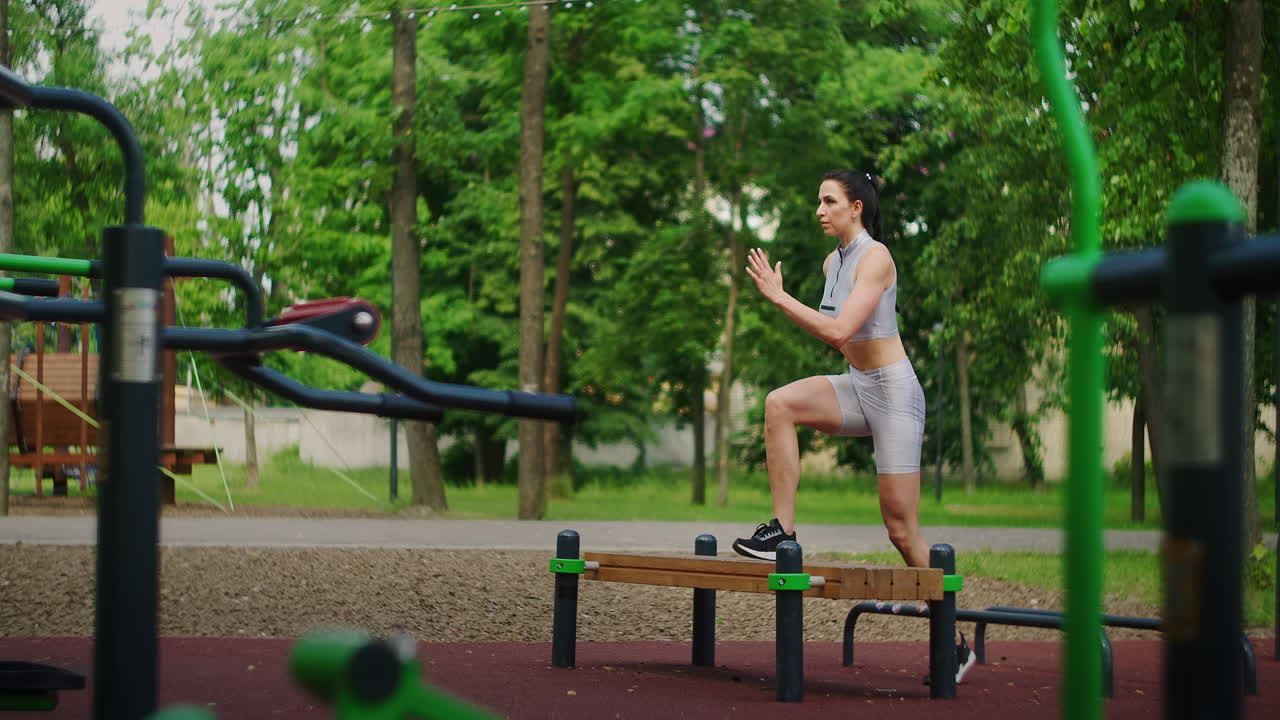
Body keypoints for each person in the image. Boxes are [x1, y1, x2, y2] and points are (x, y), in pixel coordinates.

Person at [730, 169, 974, 683]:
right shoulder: (832, 261)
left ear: (856, 207)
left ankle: (955, 643)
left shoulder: (876, 257)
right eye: (818, 201)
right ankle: (782, 530)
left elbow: (839, 327)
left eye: (828, 201)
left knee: (901, 528)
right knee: (780, 405)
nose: (819, 210)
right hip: (858, 384)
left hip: (895, 394)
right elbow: (840, 340)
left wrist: (778, 297)